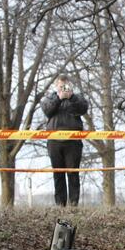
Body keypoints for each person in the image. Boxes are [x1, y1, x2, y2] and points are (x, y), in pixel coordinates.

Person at [41, 75, 89, 206]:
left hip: (73, 142)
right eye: (61, 86)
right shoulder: (50, 98)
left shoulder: (77, 98)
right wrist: (58, 98)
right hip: (54, 141)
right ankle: (60, 204)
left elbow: (83, 108)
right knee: (58, 174)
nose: (63, 88)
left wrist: (71, 97)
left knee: (73, 173)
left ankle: (73, 204)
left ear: (70, 85)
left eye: (66, 86)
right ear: (56, 86)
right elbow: (47, 110)